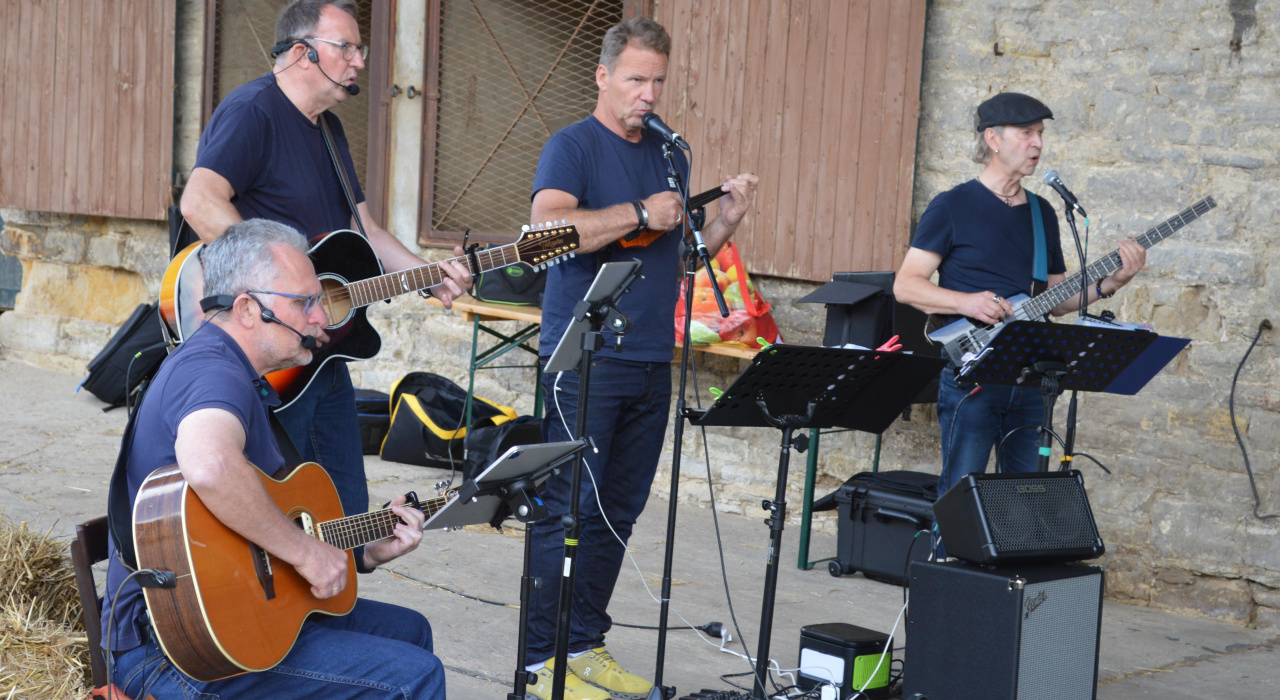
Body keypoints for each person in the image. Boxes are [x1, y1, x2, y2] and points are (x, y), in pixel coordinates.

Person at [101, 220, 445, 698]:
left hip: (222, 618)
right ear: (247, 308)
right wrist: (306, 553)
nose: (321, 318)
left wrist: (362, 549)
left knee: (411, 632)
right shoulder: (213, 372)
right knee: (414, 675)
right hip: (175, 652)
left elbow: (260, 527)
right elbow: (210, 466)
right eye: (305, 303)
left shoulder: (240, 375)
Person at [524, 17, 758, 700]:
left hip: (653, 355)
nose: (648, 94)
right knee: (564, 511)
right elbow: (543, 235)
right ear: (602, 77)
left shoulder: (668, 154)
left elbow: (677, 258)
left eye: (657, 80)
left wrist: (724, 223)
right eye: (635, 79)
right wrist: (636, 211)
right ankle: (543, 662)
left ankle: (586, 645)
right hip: (585, 357)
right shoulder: (572, 146)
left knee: (618, 511)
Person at [179, 0, 472, 525]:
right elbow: (200, 202)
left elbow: (368, 231)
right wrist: (276, 286)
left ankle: (340, 597)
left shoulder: (329, 131)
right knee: (281, 506)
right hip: (267, 354)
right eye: (348, 47)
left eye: (361, 49)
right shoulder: (253, 111)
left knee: (345, 510)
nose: (360, 60)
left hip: (323, 353)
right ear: (301, 53)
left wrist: (431, 277)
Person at [894, 92, 1147, 505]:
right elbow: (906, 286)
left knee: (1026, 495)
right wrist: (967, 303)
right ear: (993, 139)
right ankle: (945, 564)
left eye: (1041, 134)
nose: (1038, 144)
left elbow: (1057, 299)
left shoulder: (1041, 212)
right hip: (972, 374)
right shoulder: (952, 206)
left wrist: (1113, 281)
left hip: (1030, 377)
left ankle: (1011, 569)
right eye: (1026, 133)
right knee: (962, 490)